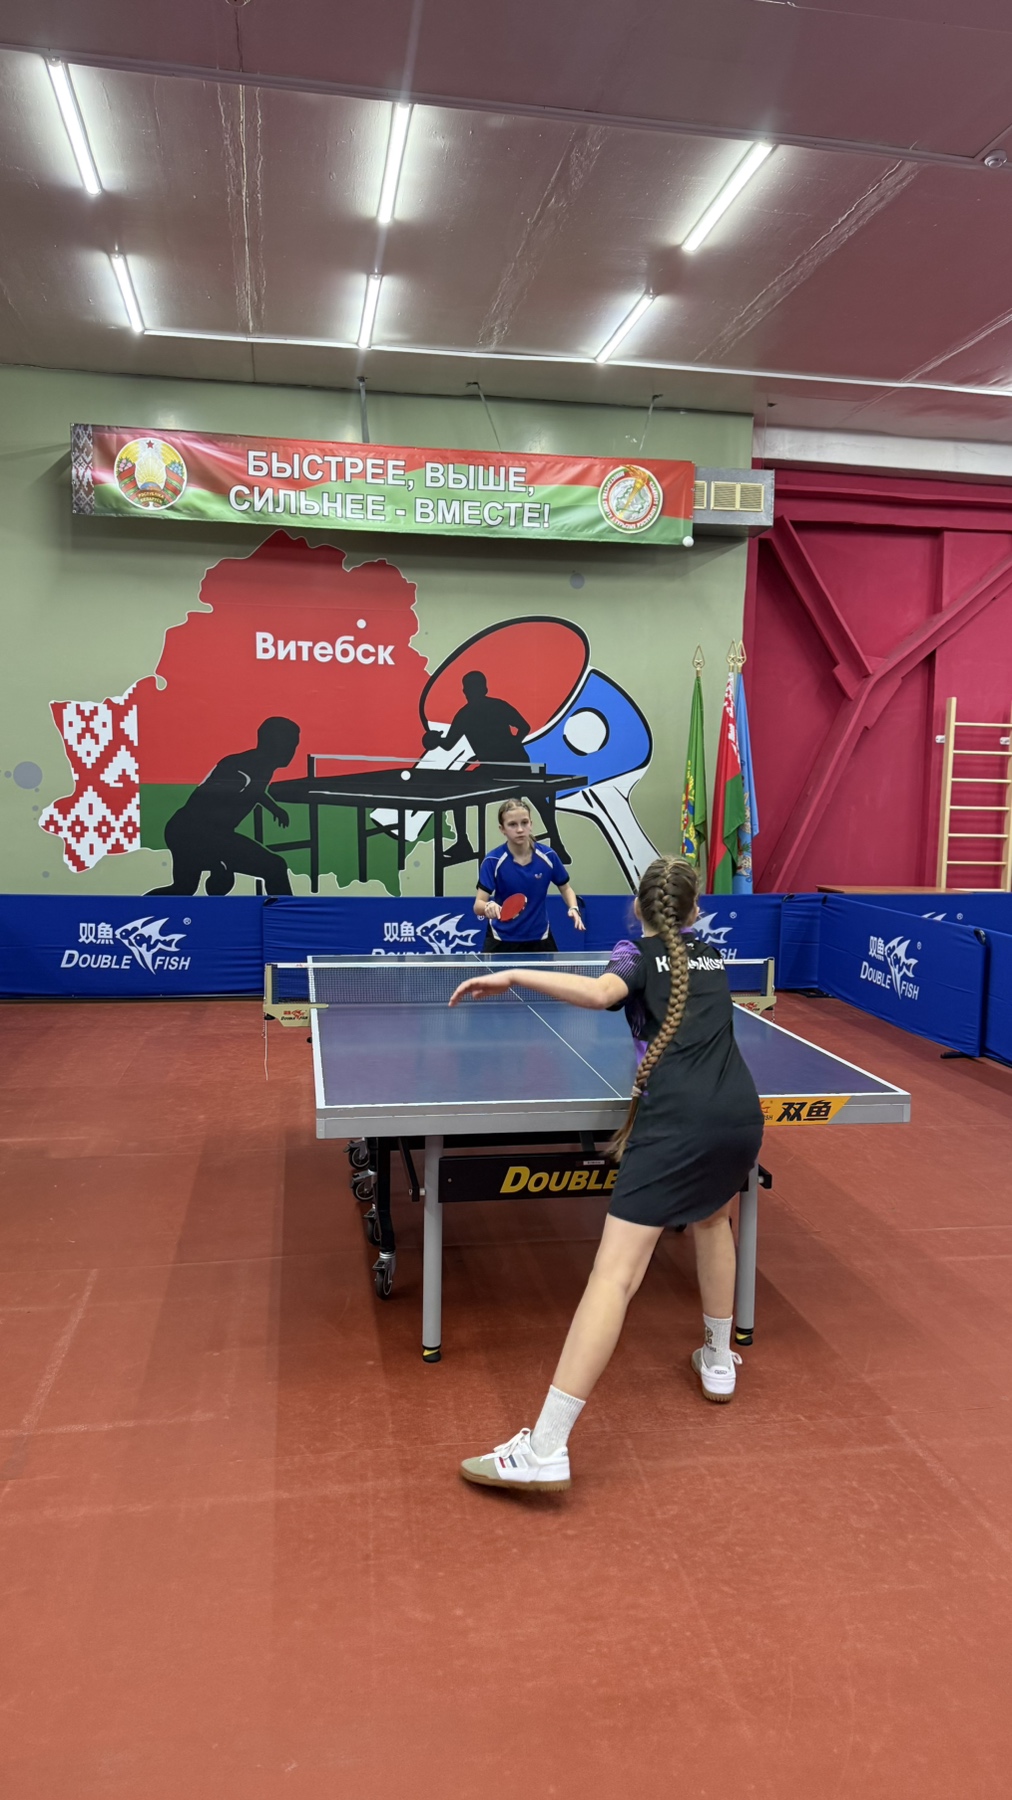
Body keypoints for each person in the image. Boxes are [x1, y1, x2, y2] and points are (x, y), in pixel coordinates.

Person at [451, 854, 765, 1493]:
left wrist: (512, 972)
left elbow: (601, 994)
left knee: (613, 1277)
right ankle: (717, 1358)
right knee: (713, 1222)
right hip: (738, 1115)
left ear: (637, 909)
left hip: (677, 1123)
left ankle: (545, 1448)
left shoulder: (633, 955)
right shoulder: (712, 956)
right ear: (696, 910)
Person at [148, 717, 300, 897]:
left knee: (185, 888)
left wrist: (273, 807)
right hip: (191, 833)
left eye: (294, 745)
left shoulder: (262, 766)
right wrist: (217, 860)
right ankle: (286, 912)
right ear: (272, 745)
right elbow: (206, 802)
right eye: (290, 745)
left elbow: (254, 791)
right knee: (274, 867)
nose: (292, 752)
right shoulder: (240, 769)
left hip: (203, 832)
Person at [423, 670, 531, 866]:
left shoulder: (486, 709)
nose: (468, 692)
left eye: (470, 688)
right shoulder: (469, 714)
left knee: (458, 789)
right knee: (457, 788)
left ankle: (463, 843)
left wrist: (511, 748)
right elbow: (448, 744)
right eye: (467, 688)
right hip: (497, 768)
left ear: (480, 689)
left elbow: (525, 727)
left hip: (514, 766)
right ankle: (463, 843)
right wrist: (435, 739)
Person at [475, 798, 584, 954]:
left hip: (540, 938)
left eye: (524, 823)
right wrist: (487, 906)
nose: (520, 829)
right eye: (512, 824)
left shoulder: (548, 856)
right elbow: (478, 905)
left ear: (531, 824)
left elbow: (566, 888)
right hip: (501, 939)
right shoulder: (493, 860)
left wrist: (573, 907)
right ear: (502, 829)